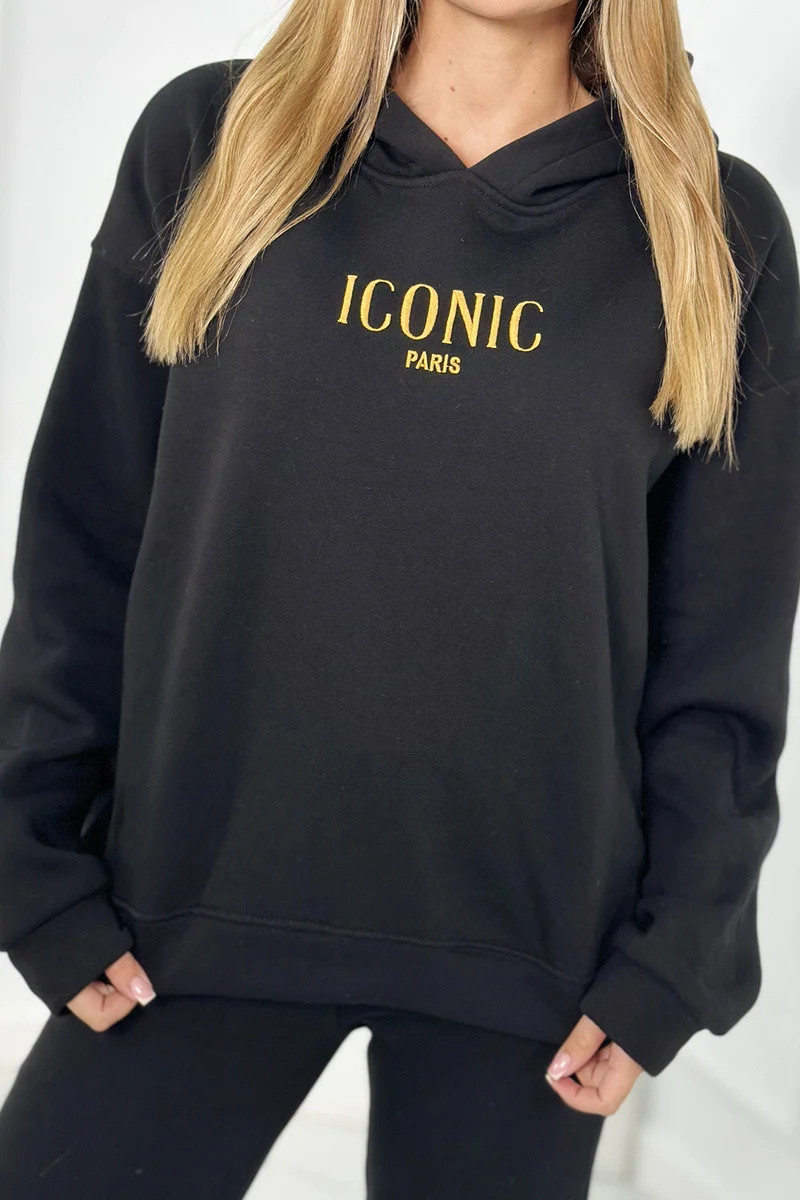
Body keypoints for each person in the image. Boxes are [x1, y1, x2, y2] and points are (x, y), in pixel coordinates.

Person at [0, 0, 798, 1195]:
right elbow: (83, 536)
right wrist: (31, 863)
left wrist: (671, 962)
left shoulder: (712, 229)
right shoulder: (216, 138)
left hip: (536, 973)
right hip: (180, 915)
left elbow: (720, 653)